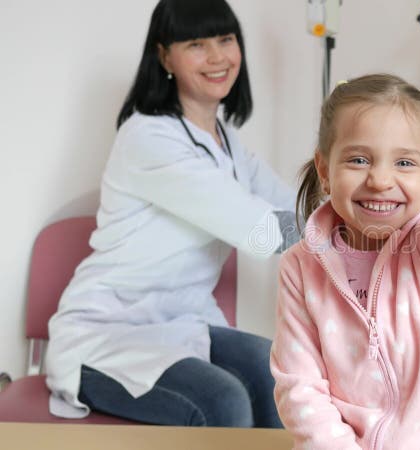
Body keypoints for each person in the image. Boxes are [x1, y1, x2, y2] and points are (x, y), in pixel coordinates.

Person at [45, 0, 294, 428]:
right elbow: (263, 233)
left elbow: (295, 211)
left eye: (226, 39)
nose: (217, 57)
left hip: (185, 323)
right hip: (107, 334)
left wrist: (364, 215)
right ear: (165, 56)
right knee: (223, 400)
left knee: (280, 378)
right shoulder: (148, 138)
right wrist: (347, 228)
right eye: (196, 44)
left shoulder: (228, 142)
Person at [270, 69, 420, 449]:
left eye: (405, 163)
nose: (379, 179)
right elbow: (300, 386)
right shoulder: (300, 268)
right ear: (325, 170)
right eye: (358, 160)